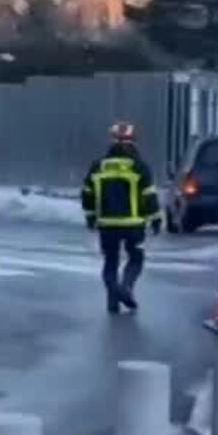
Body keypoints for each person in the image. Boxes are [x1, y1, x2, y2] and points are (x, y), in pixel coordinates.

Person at [82, 121, 162, 314]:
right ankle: (126, 287)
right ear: (134, 141)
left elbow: (87, 193)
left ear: (111, 141)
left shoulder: (98, 166)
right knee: (136, 258)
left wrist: (91, 217)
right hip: (134, 224)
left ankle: (113, 301)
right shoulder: (139, 166)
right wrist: (156, 218)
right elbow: (149, 195)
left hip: (107, 224)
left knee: (110, 262)